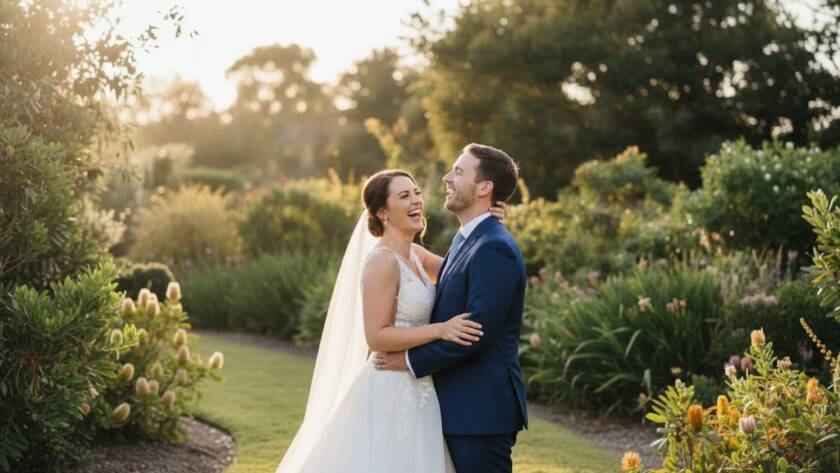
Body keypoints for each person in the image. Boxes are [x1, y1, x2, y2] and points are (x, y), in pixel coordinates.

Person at [274, 159, 511, 472]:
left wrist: (485, 225)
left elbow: (467, 271)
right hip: (389, 388)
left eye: (415, 193)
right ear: (382, 213)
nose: (416, 200)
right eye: (404, 196)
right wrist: (439, 330)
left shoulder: (416, 254)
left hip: (421, 388)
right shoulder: (382, 262)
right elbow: (376, 335)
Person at [375, 143, 528, 473]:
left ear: (484, 188)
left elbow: (475, 334)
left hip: (480, 411)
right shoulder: (468, 239)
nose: (447, 177)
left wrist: (408, 361)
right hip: (455, 405)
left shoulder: (493, 247)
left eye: (459, 172)